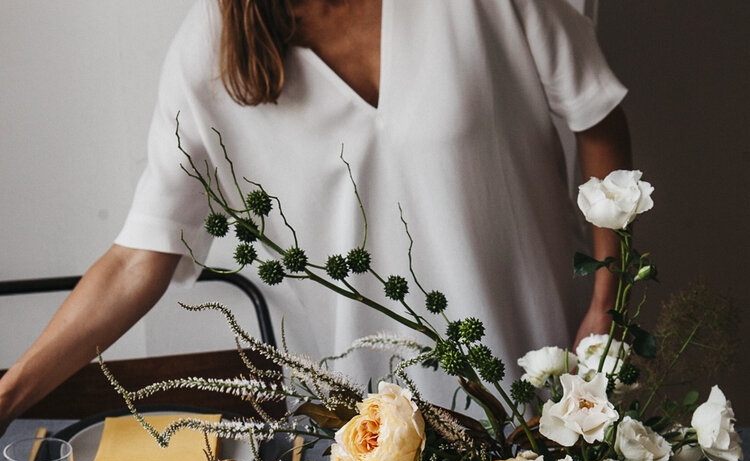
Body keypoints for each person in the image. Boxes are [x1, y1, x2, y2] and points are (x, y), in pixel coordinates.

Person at [0, 0, 631, 431]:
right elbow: (139, 254)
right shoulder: (211, 45)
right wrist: (9, 396)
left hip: (551, 398)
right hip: (371, 444)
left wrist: (607, 303)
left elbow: (598, 121)